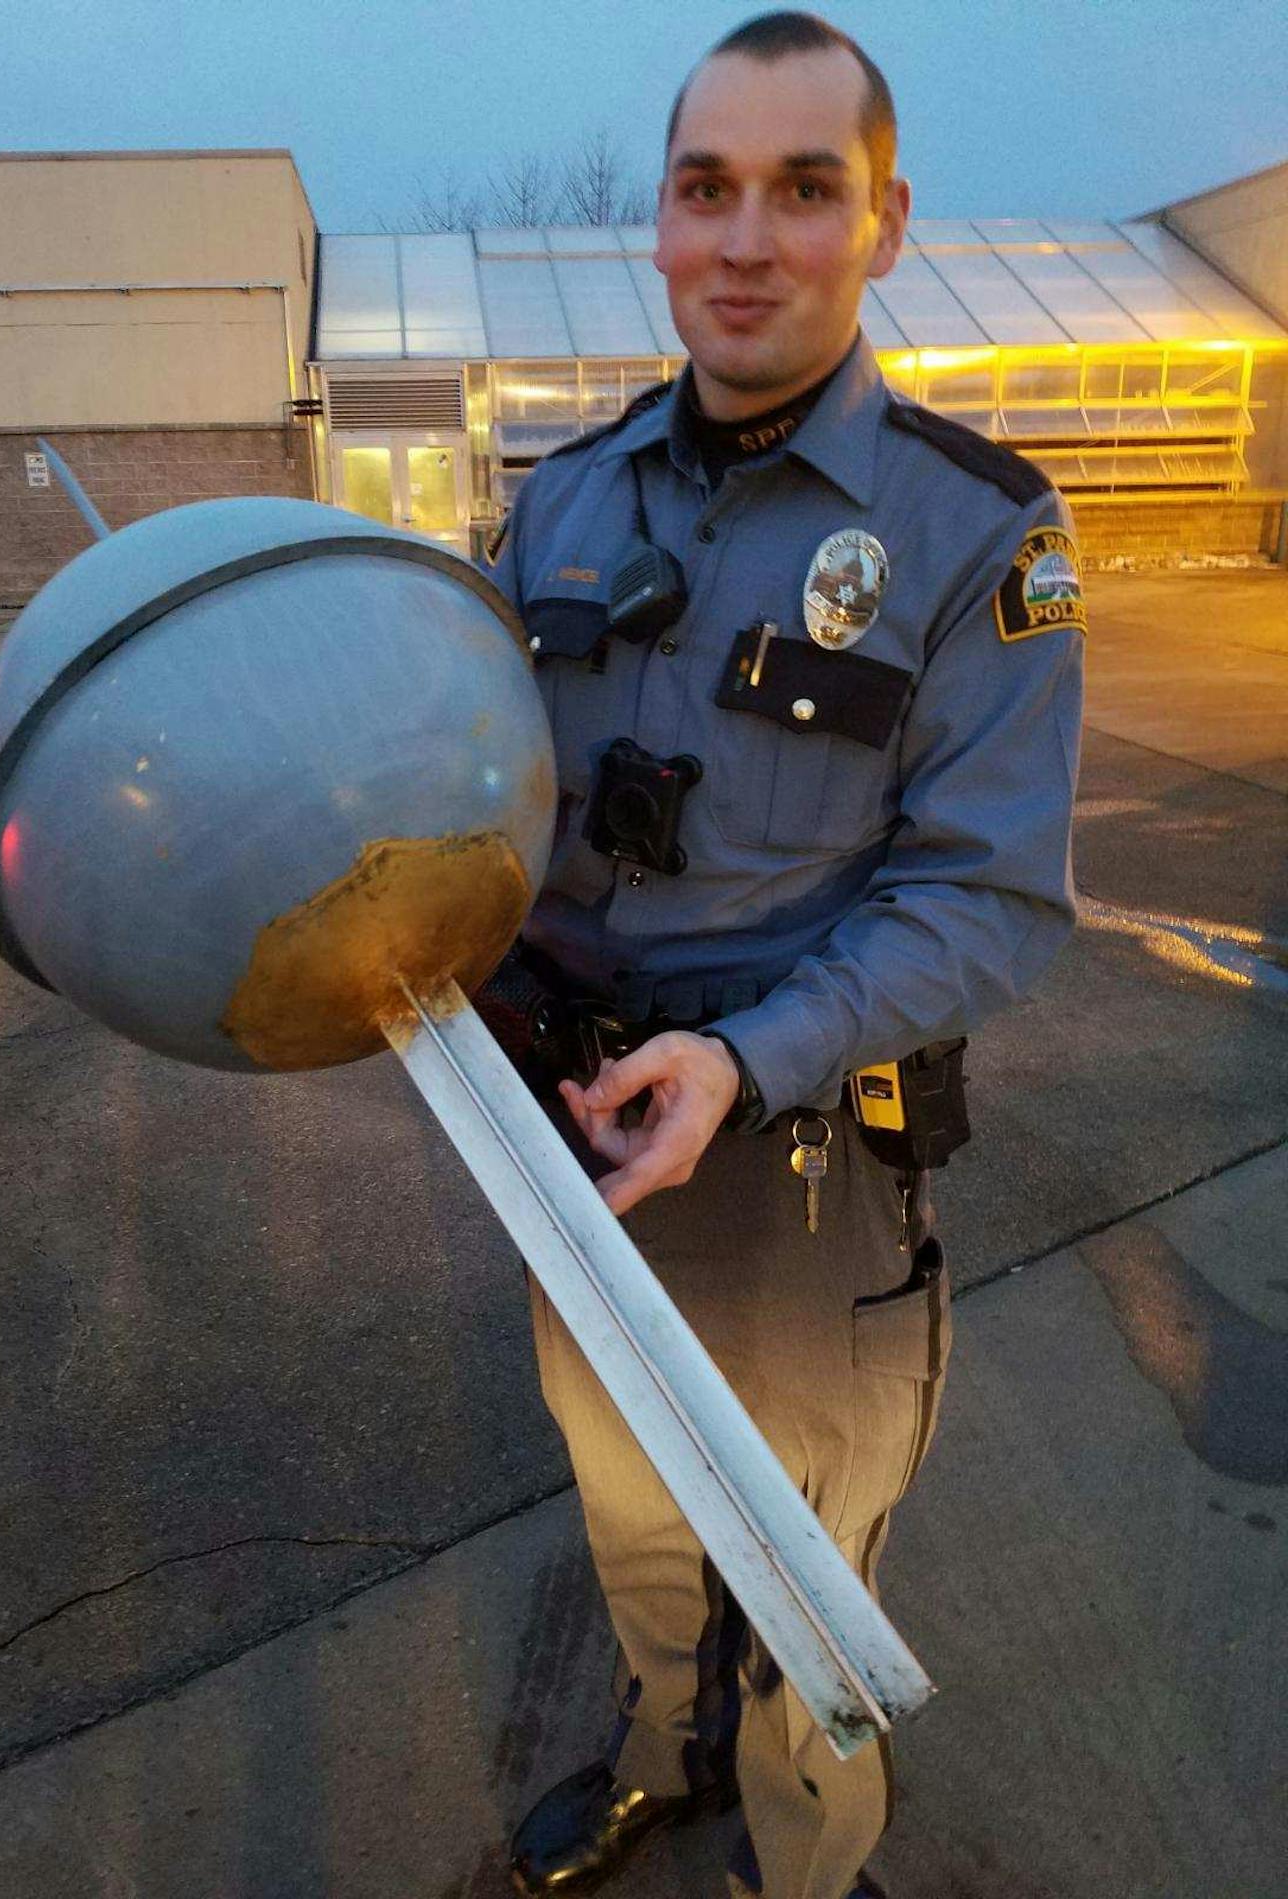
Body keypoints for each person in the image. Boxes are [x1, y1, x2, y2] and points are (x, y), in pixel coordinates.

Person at [487, 12, 1085, 1898]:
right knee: (635, 1516)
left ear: (883, 222)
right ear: (658, 228)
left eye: (803, 189)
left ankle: (805, 1867)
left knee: (810, 1587)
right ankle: (666, 1755)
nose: (748, 238)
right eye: (707, 187)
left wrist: (751, 1055)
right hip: (577, 1142)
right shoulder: (561, 505)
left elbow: (987, 896)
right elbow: (469, 808)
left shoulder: (977, 531)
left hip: (802, 1171)